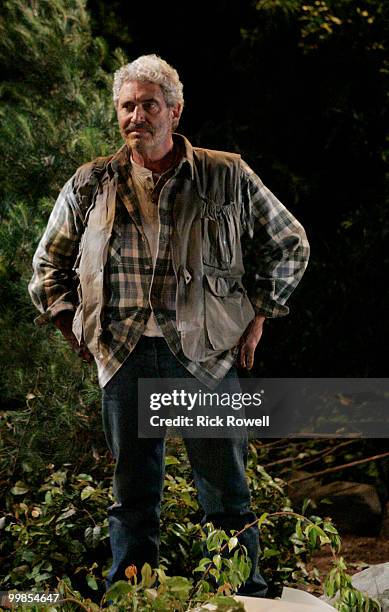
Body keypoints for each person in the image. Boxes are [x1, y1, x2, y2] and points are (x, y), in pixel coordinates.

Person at [29, 54, 310, 597]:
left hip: (204, 357)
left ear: (175, 111)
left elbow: (289, 242)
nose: (137, 116)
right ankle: (131, 594)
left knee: (225, 489)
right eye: (127, 106)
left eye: (149, 105)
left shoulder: (226, 174)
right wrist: (71, 326)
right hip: (124, 354)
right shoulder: (91, 183)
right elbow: (48, 264)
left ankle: (243, 590)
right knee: (133, 492)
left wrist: (260, 314)